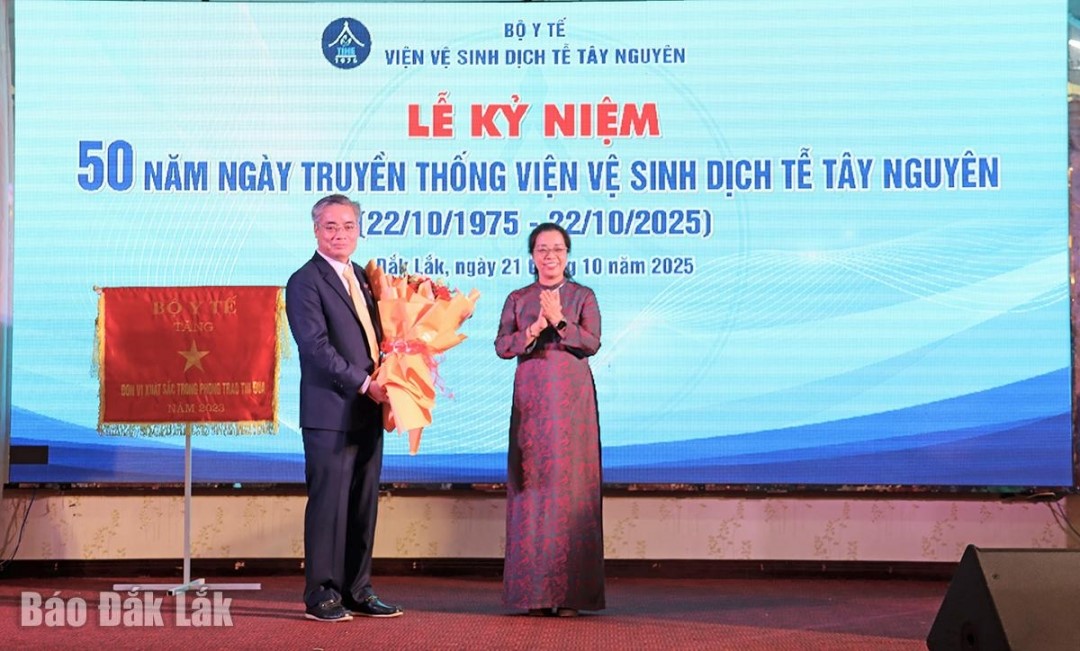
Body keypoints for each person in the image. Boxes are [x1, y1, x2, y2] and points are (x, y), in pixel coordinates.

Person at [285, 194, 403, 622]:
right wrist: (365, 383)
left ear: (359, 231)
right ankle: (322, 594)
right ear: (316, 230)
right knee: (329, 506)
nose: (340, 234)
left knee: (362, 504)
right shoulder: (304, 281)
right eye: (331, 226)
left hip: (368, 410)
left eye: (348, 226)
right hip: (330, 412)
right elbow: (315, 348)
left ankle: (358, 590)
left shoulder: (365, 277)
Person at [495, 222, 605, 617]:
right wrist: (533, 329)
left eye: (557, 249)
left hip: (573, 406)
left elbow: (591, 342)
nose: (550, 256)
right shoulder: (518, 298)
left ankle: (570, 595)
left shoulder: (583, 296)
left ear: (567, 255)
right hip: (532, 403)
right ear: (532, 256)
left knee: (571, 488)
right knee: (534, 489)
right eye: (542, 249)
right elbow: (502, 346)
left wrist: (560, 322)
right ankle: (534, 595)